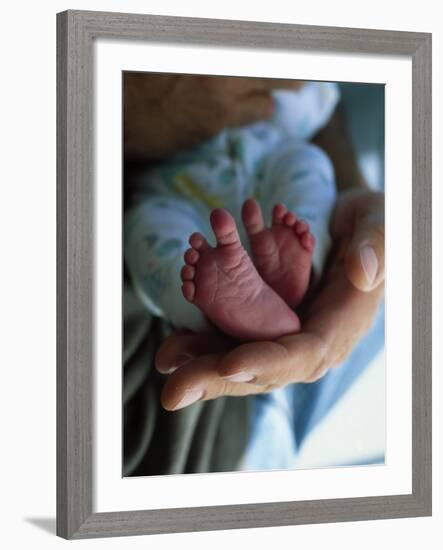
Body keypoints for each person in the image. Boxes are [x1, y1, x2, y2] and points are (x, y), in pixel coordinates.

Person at [123, 74, 385, 474]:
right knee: (145, 226)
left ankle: (299, 269)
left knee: (308, 165)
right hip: (168, 180)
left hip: (264, 168)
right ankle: (214, 309)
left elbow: (318, 105)